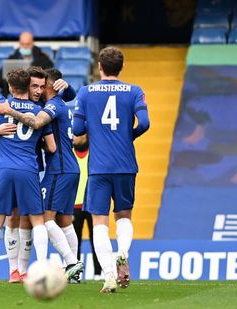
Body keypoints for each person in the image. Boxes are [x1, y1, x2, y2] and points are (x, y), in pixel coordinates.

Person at [0, 67, 77, 282]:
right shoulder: (39, 110)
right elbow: (52, 147)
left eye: (42, 87)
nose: (39, 89)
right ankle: (35, 269)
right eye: (35, 86)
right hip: (29, 169)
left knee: (0, 220)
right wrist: (39, 141)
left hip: (5, 169)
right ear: (28, 86)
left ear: (10, 87)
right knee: (36, 221)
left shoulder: (2, 104)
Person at [72, 47, 150, 293]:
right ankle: (123, 252)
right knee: (124, 216)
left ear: (99, 67)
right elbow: (145, 123)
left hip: (99, 167)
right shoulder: (134, 91)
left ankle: (108, 276)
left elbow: (76, 129)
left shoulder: (86, 92)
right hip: (126, 164)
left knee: (100, 223)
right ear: (122, 67)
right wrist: (129, 136)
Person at [71, 137, 103, 279]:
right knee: (74, 241)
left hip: (92, 203)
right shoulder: (69, 153)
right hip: (74, 205)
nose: (78, 138)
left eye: (81, 135)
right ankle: (75, 273)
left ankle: (98, 273)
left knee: (96, 239)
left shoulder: (94, 153)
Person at [0, 32, 54, 96]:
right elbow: (0, 79)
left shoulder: (43, 58)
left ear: (32, 43)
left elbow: (50, 76)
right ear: (19, 43)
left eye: (27, 44)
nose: (25, 47)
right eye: (23, 44)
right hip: (16, 95)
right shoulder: (12, 58)